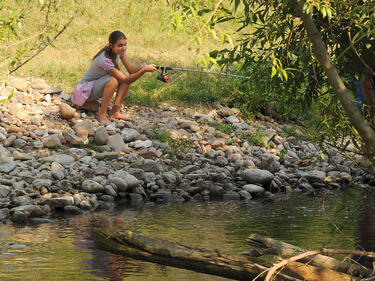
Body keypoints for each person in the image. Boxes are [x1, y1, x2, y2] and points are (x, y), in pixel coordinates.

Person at [71, 30, 157, 123]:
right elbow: (126, 80)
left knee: (126, 74)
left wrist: (141, 67)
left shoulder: (118, 52)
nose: (123, 48)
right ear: (111, 45)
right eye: (120, 45)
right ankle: (102, 114)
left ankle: (115, 111)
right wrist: (144, 70)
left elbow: (131, 70)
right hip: (84, 92)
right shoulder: (104, 59)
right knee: (113, 80)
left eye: (125, 44)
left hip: (96, 86)